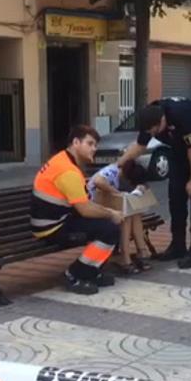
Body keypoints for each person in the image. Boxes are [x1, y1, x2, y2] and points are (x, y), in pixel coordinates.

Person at [120, 98, 191, 269]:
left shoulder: (181, 116)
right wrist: (118, 164)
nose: (152, 135)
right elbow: (139, 146)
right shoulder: (150, 117)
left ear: (162, 121)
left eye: (154, 131)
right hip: (180, 150)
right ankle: (178, 245)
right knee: (175, 194)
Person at [31, 125, 124, 296]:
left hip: (54, 220)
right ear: (75, 142)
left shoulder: (63, 161)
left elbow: (83, 204)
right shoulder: (67, 170)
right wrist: (111, 213)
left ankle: (91, 272)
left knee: (105, 225)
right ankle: (74, 274)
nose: (94, 149)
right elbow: (85, 209)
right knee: (109, 229)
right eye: (90, 144)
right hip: (51, 228)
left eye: (95, 145)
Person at [88, 160, 153, 275]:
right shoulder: (112, 171)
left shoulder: (129, 173)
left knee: (134, 213)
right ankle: (126, 258)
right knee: (125, 215)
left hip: (108, 205)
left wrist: (140, 188)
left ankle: (141, 252)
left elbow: (144, 184)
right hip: (94, 206)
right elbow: (97, 181)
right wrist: (117, 192)